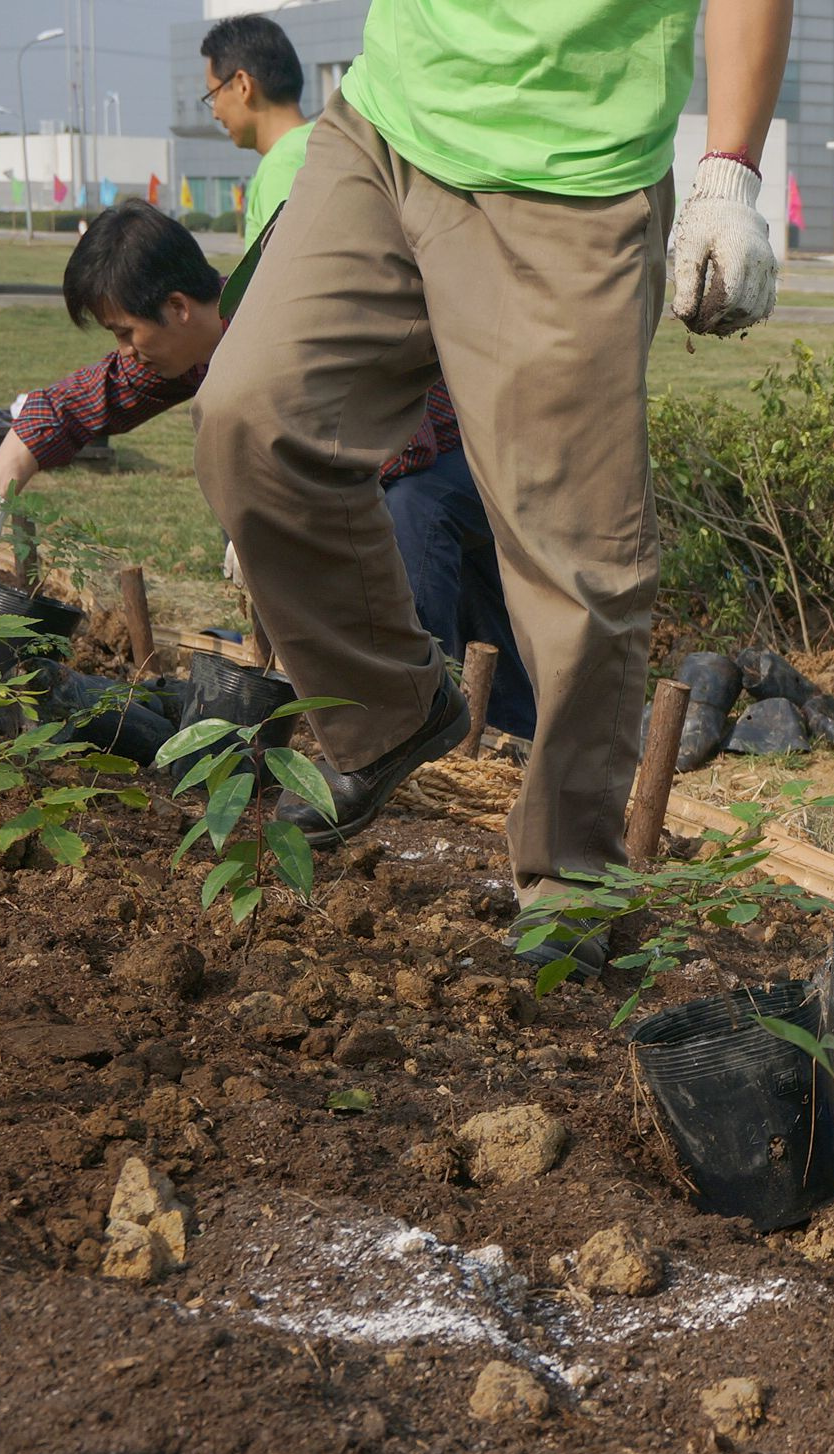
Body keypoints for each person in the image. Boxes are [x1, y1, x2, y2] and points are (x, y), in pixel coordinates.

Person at [190, 0, 788, 979]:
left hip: (570, 177)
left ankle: (571, 885)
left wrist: (728, 173)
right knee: (251, 419)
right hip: (388, 126)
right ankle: (391, 710)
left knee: (577, 566)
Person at [0, 203, 538, 739]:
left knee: (414, 514)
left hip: (479, 449)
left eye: (125, 332)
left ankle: (404, 718)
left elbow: (398, 445)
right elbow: (72, 405)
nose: (125, 351)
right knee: (495, 645)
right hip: (418, 466)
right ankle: (509, 732)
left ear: (176, 307)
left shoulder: (291, 323)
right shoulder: (189, 342)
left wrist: (278, 518)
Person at [199, 13, 312, 248]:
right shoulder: (321, 143)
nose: (215, 113)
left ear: (242, 85)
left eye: (213, 96)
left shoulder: (282, 167)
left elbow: (286, 275)